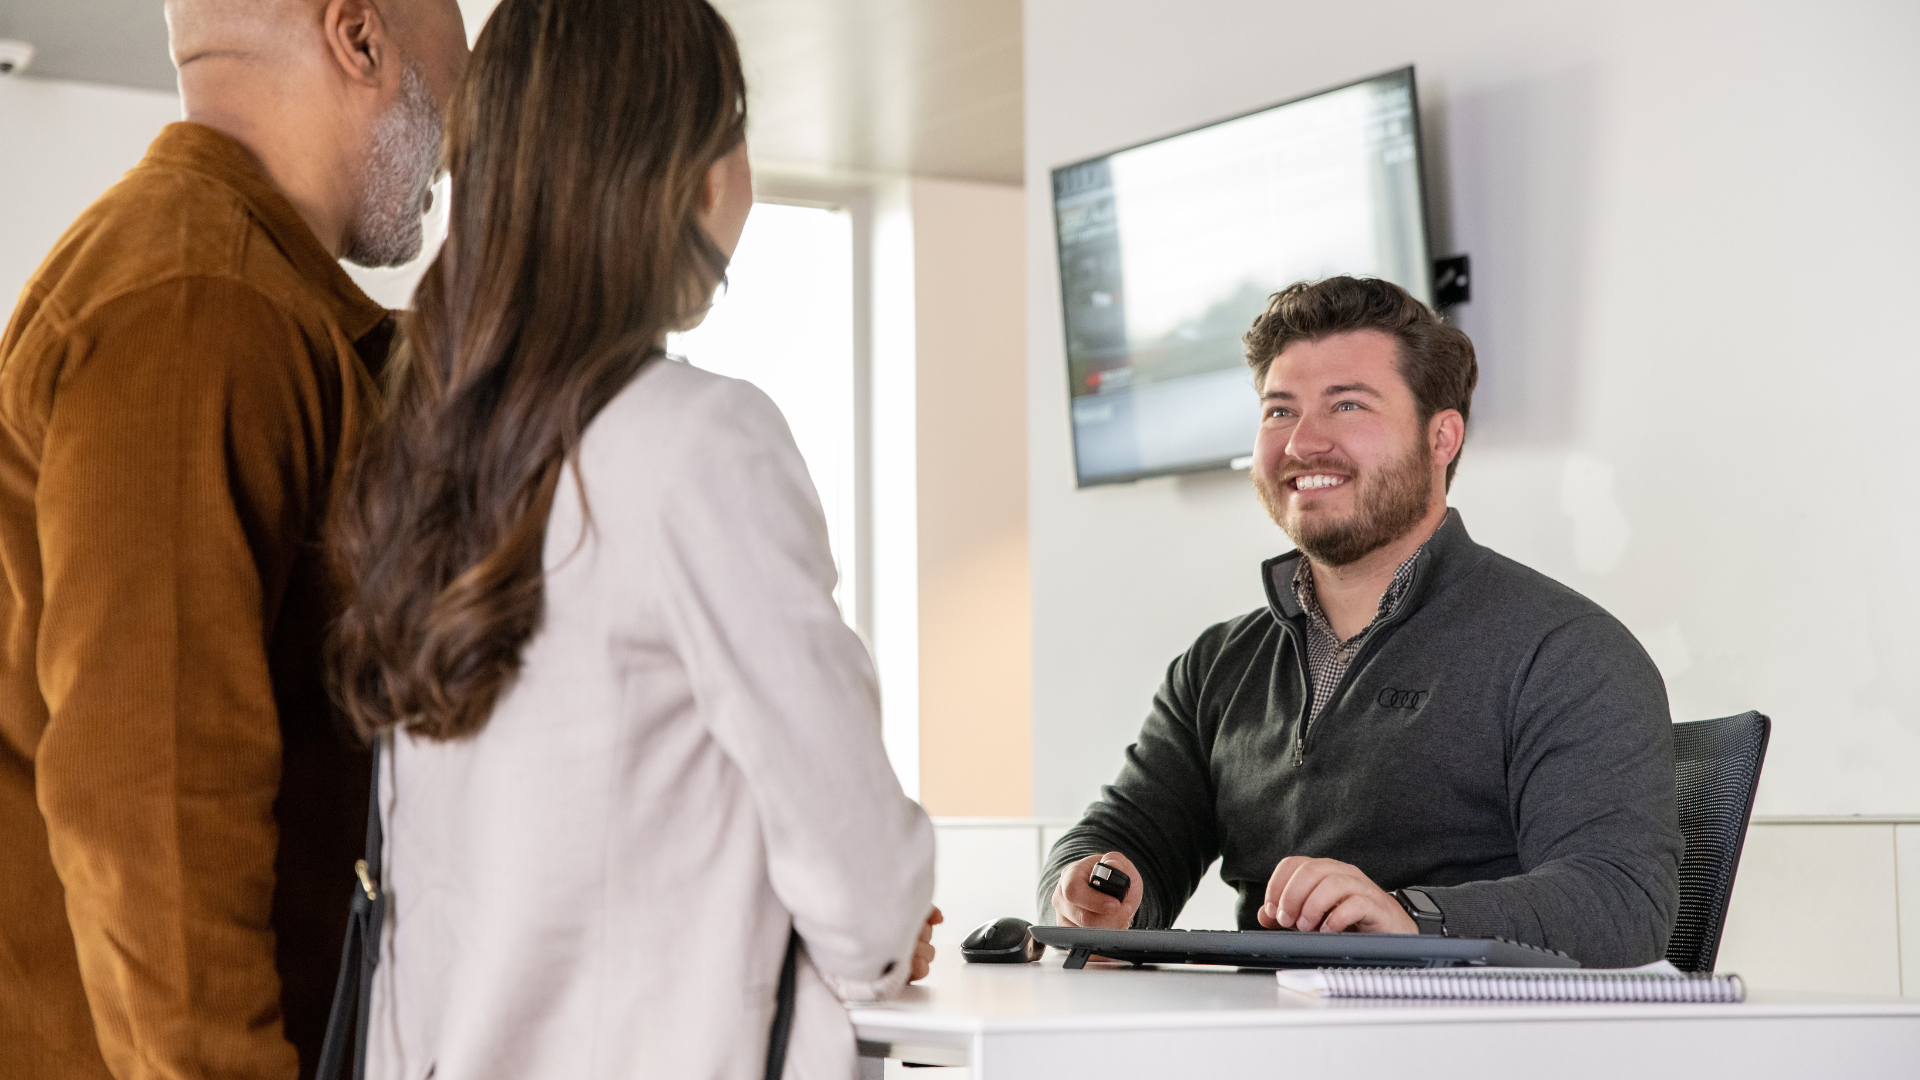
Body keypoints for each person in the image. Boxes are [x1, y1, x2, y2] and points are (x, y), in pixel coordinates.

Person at [325, 1, 936, 1076]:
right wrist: (867, 935)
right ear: (695, 172)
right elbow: (869, 895)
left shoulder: (426, 453)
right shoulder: (700, 445)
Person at [0, 1, 468, 1076]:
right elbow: (151, 815)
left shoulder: (260, 304)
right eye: (453, 81)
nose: (459, 128)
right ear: (358, 38)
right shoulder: (195, 306)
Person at [1042, 276, 1682, 968]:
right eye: (1279, 412)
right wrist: (1088, 887)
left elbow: (1622, 901)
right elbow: (1123, 836)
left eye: (1346, 405)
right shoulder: (1219, 665)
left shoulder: (1564, 653)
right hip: (1258, 1040)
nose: (1303, 443)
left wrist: (1409, 919)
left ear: (1441, 438)